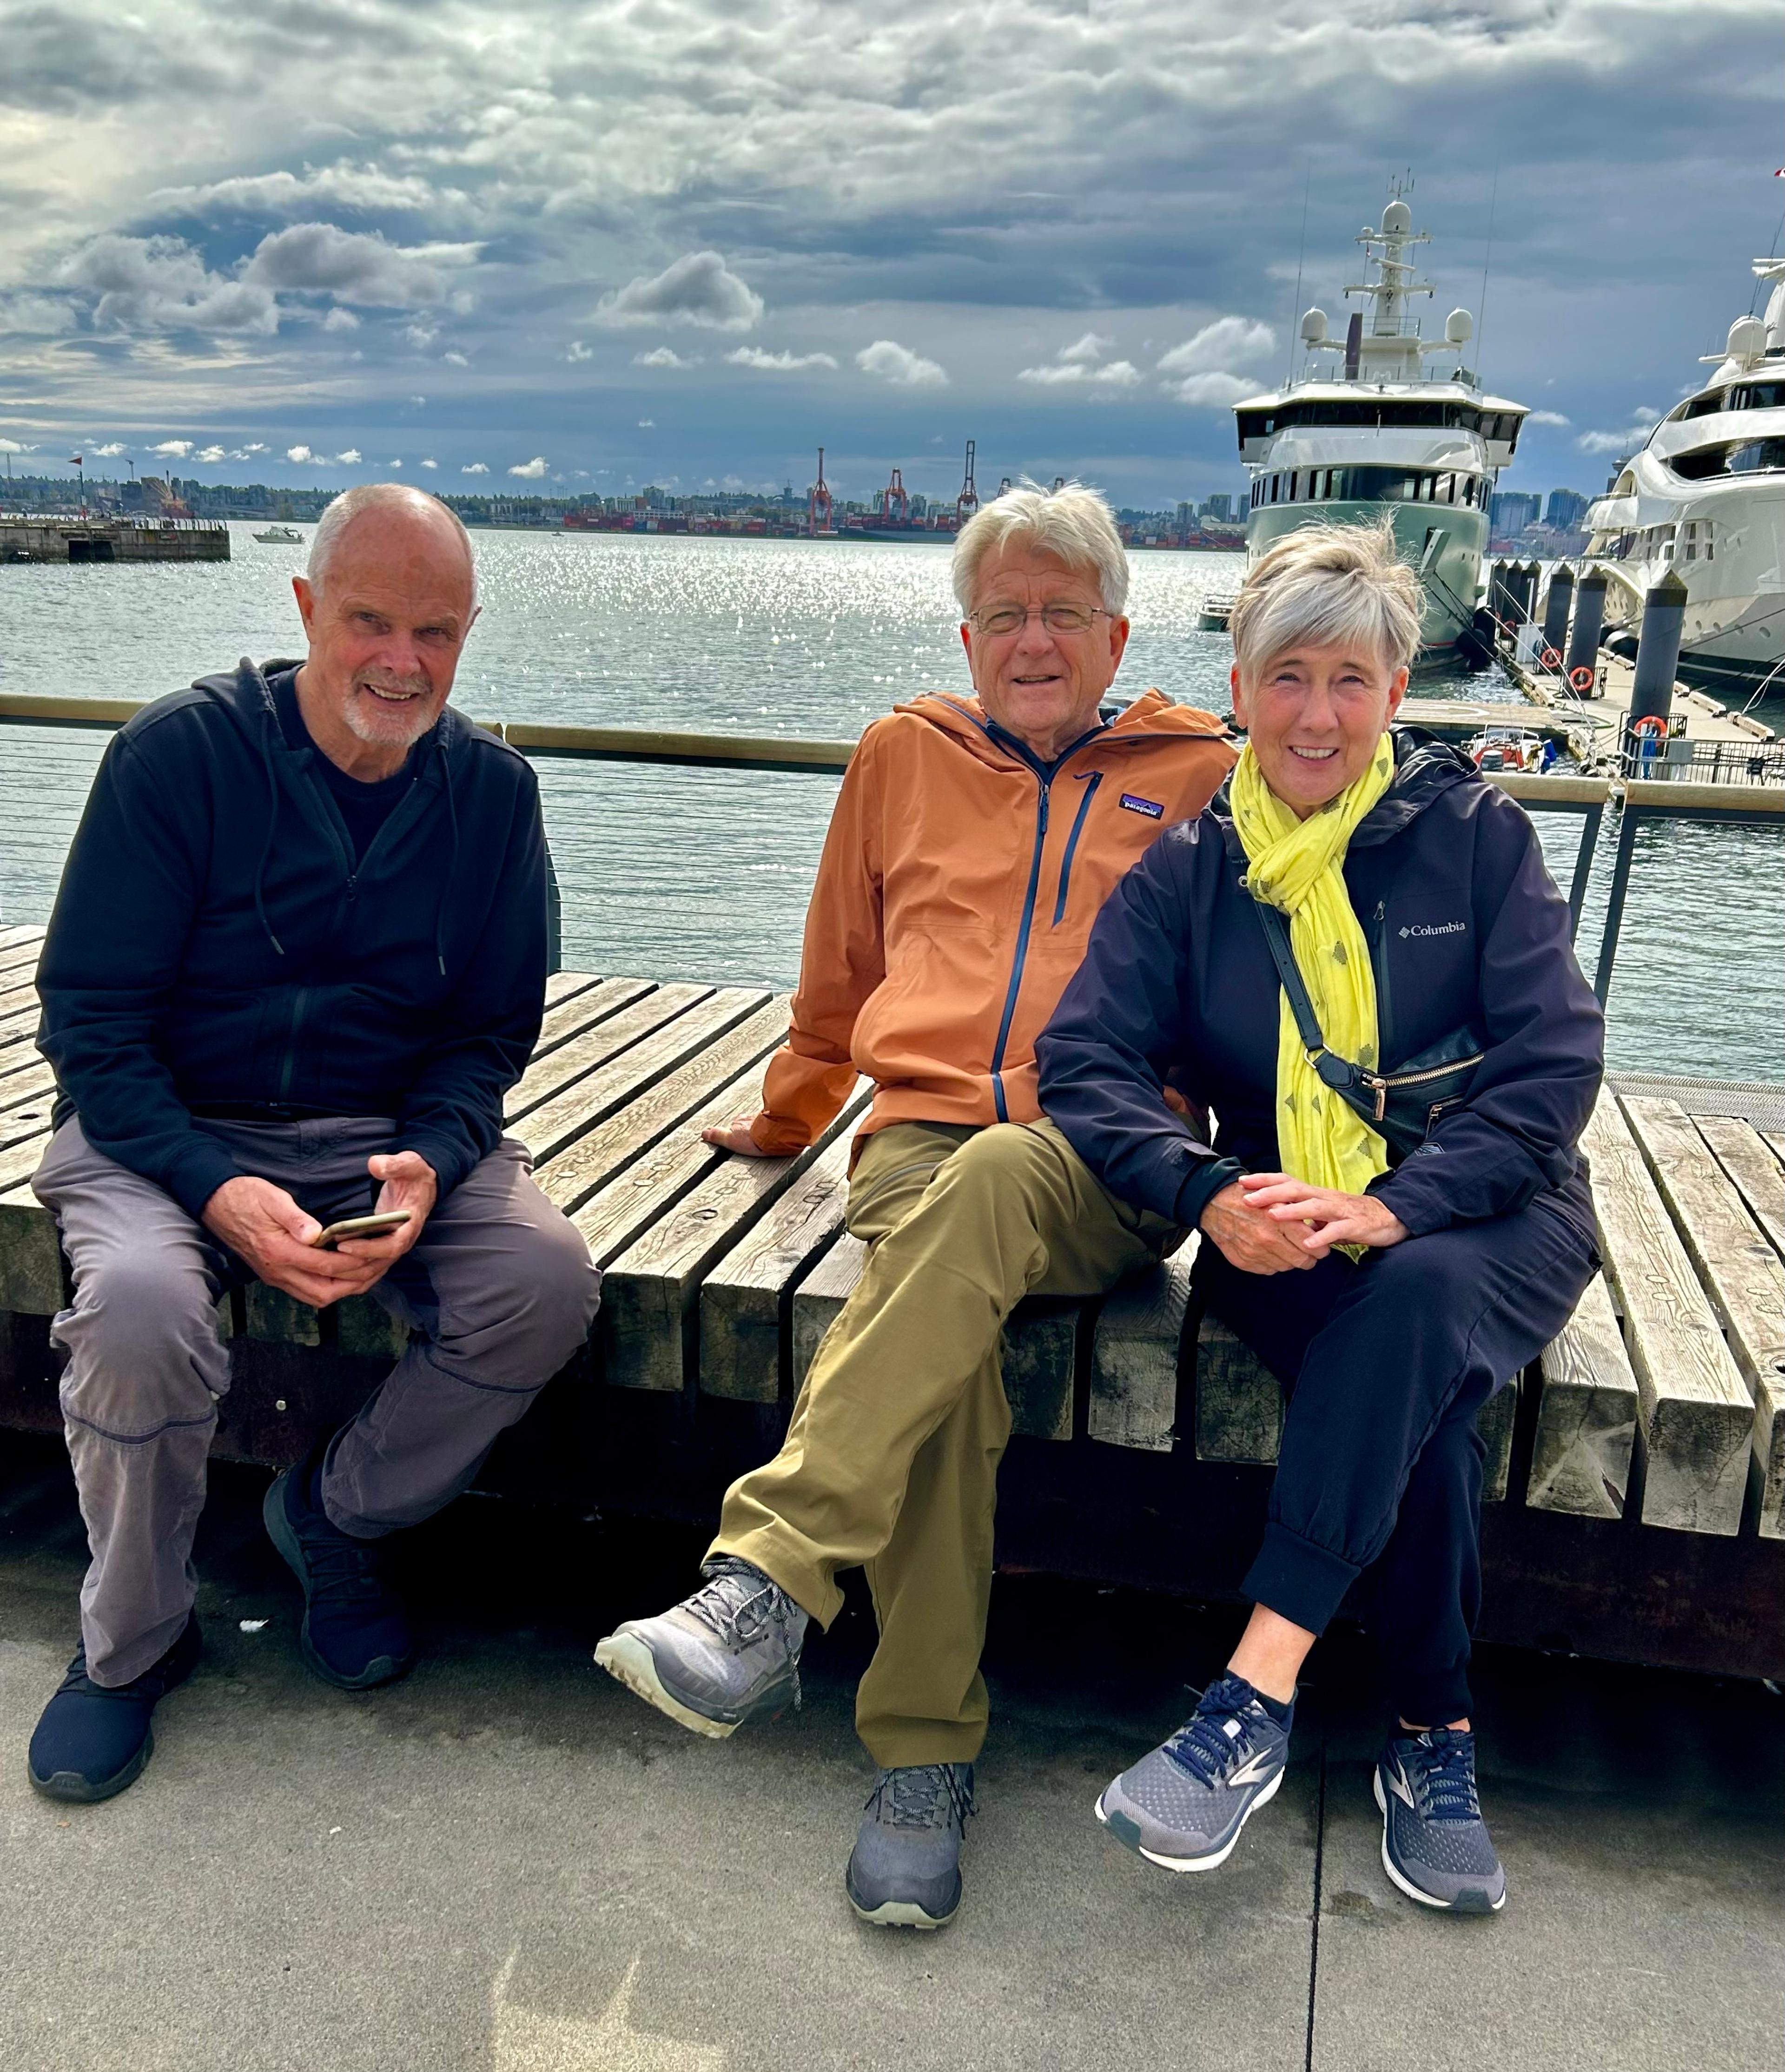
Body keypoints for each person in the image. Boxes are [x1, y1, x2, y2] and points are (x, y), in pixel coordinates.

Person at [594, 483, 1235, 1928]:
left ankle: (766, 1576)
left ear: (1117, 631)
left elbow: (1258, 994)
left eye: (1062, 611)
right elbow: (839, 973)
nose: (1032, 640)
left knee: (998, 1178)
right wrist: (788, 1118)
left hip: (1108, 1155)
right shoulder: (901, 752)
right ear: (966, 637)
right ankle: (921, 1757)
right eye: (1004, 614)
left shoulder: (1197, 772)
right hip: (915, 1141)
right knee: (949, 1367)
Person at [1037, 523, 1604, 1915]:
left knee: (1416, 1300)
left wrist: (1399, 1204)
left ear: (1397, 693)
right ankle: (1431, 1734)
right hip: (1277, 1222)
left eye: (1351, 680)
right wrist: (1204, 1191)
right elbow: (1084, 1059)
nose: (1316, 714)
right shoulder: (1192, 871)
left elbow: (1551, 1068)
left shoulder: (1476, 839)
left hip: (1496, 1211)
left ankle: (1253, 1694)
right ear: (1238, 687)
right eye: (1287, 677)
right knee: (1426, 1405)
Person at [27, 483, 601, 1805]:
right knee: (138, 1309)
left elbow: (487, 1036)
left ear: (467, 636)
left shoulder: (494, 796)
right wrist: (212, 1185)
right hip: (162, 1123)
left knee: (542, 1282)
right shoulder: (176, 757)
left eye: (436, 632)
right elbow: (92, 1026)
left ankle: (335, 1515)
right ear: (305, 609)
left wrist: (434, 1158)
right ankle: (131, 1641)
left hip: (380, 1134)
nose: (403, 661)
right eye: (370, 622)